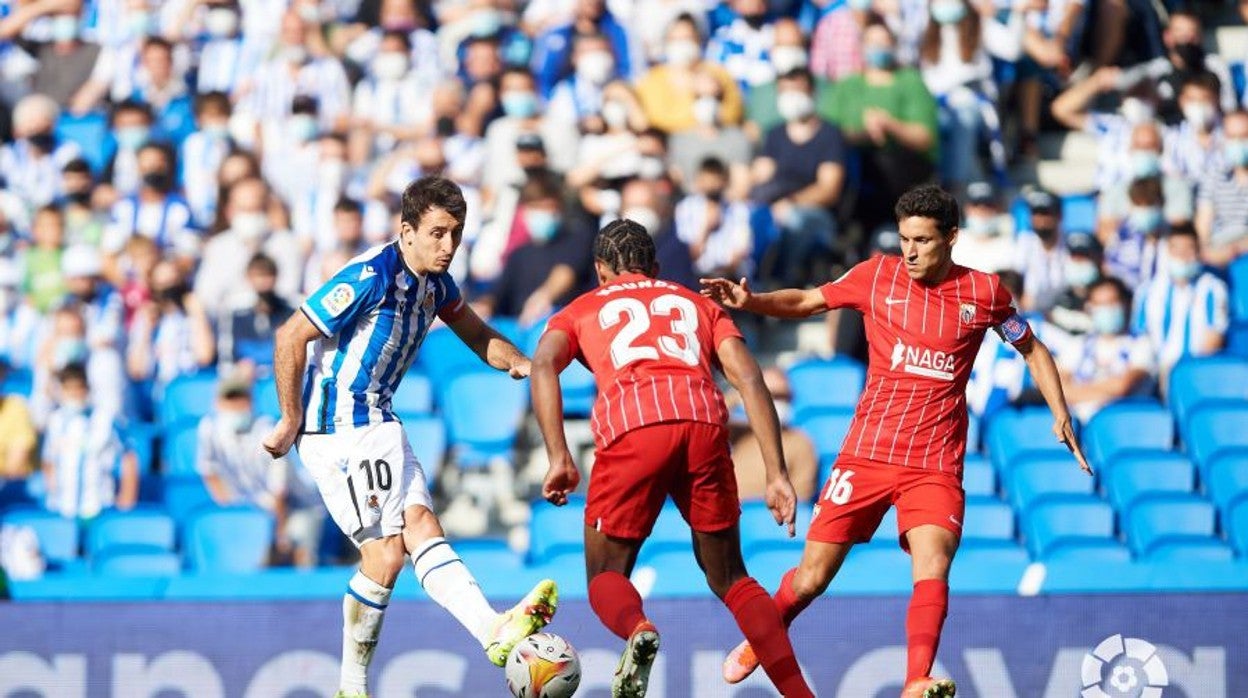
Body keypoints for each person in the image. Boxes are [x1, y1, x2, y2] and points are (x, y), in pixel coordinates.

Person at [701, 184, 1090, 698]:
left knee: (934, 562)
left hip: (935, 463)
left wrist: (1060, 412)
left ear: (951, 237)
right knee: (812, 578)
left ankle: (916, 680)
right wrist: (752, 301)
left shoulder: (986, 294)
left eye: (922, 241)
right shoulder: (875, 275)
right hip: (867, 454)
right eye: (905, 239)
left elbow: (1033, 349)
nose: (910, 251)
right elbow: (808, 300)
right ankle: (765, 633)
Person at [261, 176, 557, 698]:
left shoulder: (437, 286)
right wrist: (289, 418)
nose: (448, 245)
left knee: (422, 525)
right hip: (341, 429)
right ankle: (351, 686)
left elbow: (478, 335)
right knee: (385, 555)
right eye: (438, 233)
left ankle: (492, 631)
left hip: (379, 422)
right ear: (407, 231)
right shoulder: (371, 275)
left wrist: (522, 363)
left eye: (456, 234)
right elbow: (292, 335)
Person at [532, 219, 815, 698]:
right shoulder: (698, 304)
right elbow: (749, 378)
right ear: (656, 267)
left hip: (634, 425)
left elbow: (543, 364)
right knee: (732, 577)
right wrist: (777, 472)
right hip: (704, 421)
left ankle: (638, 628)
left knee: (605, 576)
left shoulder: (581, 308)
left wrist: (559, 455)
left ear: (600, 270)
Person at [198, 371, 323, 567]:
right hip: (252, 506)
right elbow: (208, 470)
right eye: (230, 399)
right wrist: (231, 508)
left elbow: (279, 491)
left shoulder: (268, 431)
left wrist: (279, 531)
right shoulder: (209, 429)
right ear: (218, 403)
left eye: (241, 398)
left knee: (300, 554)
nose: (236, 405)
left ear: (251, 401)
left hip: (296, 506)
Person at [1132, 226, 1228, 389]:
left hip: (1195, 374)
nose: (1182, 257)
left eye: (1188, 250)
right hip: (1153, 375)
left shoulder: (1213, 289)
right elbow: (1140, 337)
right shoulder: (1147, 290)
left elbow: (1213, 340)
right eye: (1176, 250)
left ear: (1198, 252)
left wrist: (1184, 373)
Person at [41, 364, 138, 521]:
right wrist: (52, 490)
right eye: (69, 389)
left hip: (98, 506)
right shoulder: (55, 422)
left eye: (78, 388)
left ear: (87, 388)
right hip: (63, 508)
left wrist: (127, 497)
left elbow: (128, 457)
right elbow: (48, 460)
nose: (74, 394)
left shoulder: (105, 419)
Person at [1056, 276, 1155, 422]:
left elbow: (1122, 386)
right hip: (1079, 424)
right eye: (1099, 305)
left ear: (1125, 304)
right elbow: (1058, 389)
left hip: (1124, 422)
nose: (1106, 310)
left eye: (1111, 303)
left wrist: (1076, 392)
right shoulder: (1076, 345)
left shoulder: (1142, 344)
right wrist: (1106, 390)